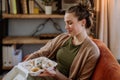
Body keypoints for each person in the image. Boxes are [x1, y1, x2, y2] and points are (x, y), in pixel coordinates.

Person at [25, 3, 100, 80]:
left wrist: (56, 74)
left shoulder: (92, 51)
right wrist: (22, 65)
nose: (66, 27)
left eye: (70, 23)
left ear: (83, 22)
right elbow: (41, 53)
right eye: (65, 23)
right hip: (44, 74)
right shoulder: (63, 37)